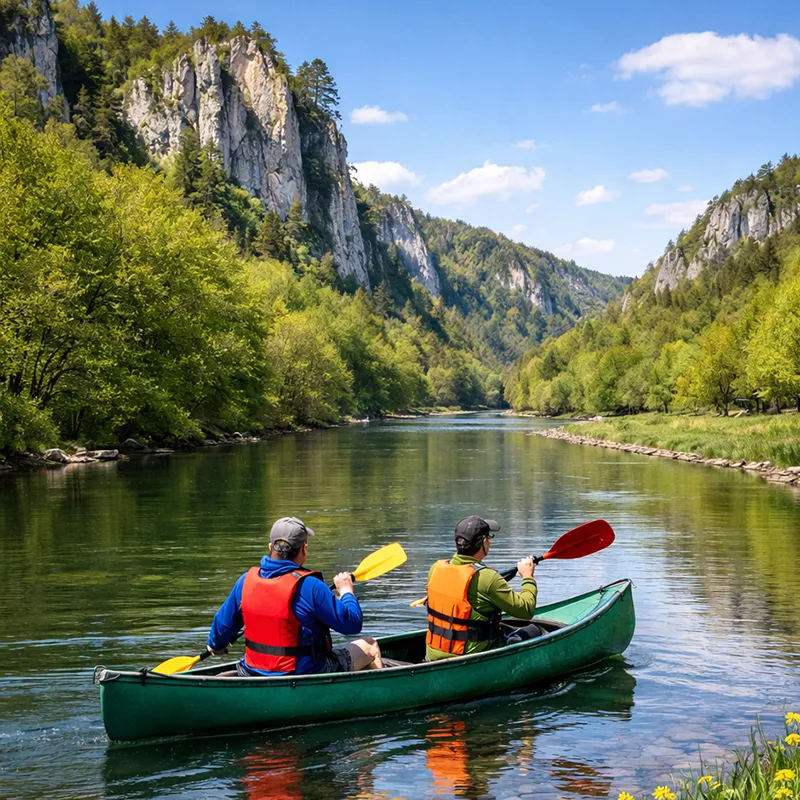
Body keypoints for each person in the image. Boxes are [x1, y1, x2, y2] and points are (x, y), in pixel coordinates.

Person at [207, 516, 383, 675]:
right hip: (304, 673)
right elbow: (351, 625)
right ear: (304, 549)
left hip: (252, 672)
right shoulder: (312, 586)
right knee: (371, 645)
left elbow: (221, 627)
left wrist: (216, 645)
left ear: (270, 547)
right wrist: (346, 592)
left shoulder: (245, 581)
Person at [425, 515, 538, 661]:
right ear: (483, 542)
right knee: (534, 630)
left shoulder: (436, 568)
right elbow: (526, 610)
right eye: (489, 537)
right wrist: (528, 576)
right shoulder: (488, 578)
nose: (489, 541)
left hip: (433, 653)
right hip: (467, 656)